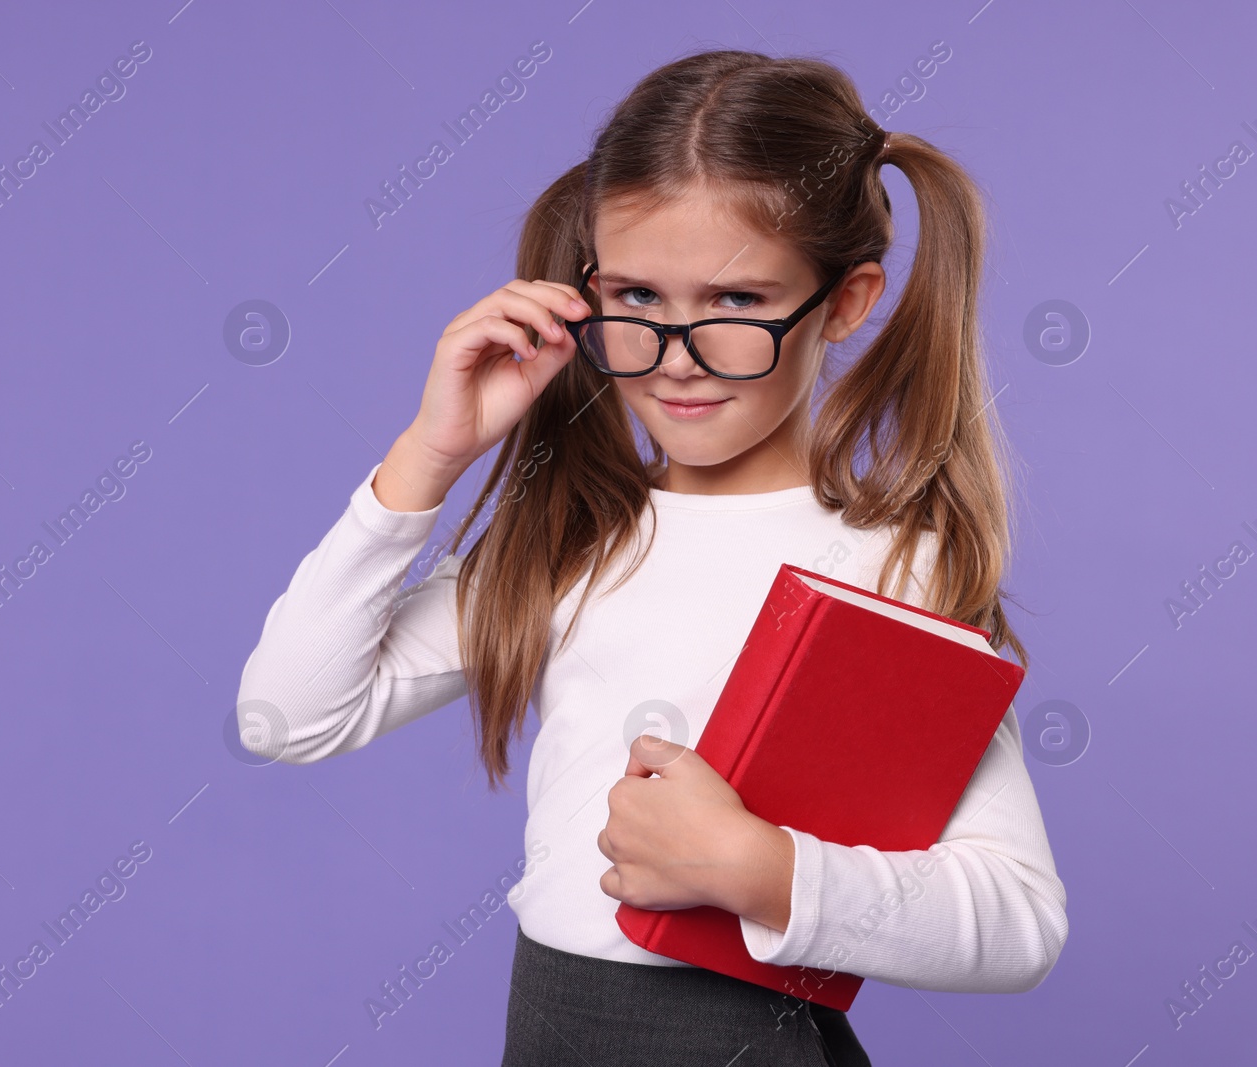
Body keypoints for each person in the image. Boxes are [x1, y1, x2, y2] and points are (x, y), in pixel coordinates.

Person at [236, 48, 1068, 1066]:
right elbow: (286, 714)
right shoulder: (567, 542)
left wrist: (760, 869)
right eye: (634, 296)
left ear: (846, 303)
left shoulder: (898, 572)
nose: (675, 356)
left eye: (736, 303)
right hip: (554, 1026)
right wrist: (431, 453)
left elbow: (1019, 920)